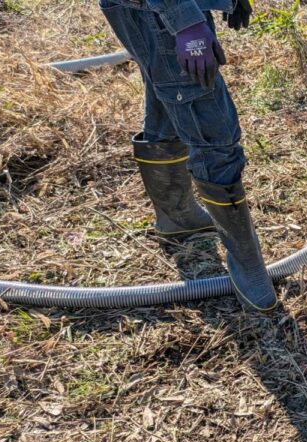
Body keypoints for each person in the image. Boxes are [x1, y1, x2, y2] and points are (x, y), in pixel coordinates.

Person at [98, 0, 277, 311]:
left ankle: (178, 217)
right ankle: (247, 266)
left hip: (152, 8)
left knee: (167, 104)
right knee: (212, 132)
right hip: (155, 10)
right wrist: (185, 21)